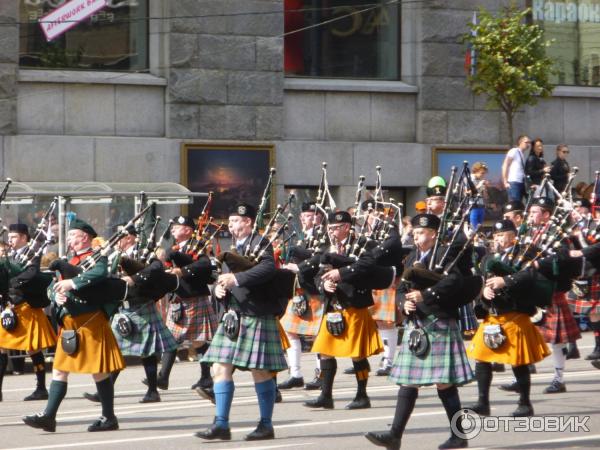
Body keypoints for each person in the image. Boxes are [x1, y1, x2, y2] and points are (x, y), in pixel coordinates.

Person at [365, 214, 473, 450]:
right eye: (414, 232)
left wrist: (425, 295)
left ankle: (459, 436)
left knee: (444, 383)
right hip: (418, 324)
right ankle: (394, 436)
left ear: (433, 233)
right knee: (408, 381)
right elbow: (403, 287)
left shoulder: (446, 254)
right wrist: (404, 301)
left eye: (421, 232)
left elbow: (455, 282)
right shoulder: (413, 255)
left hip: (439, 321)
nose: (415, 235)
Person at [23, 219, 126, 432]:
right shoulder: (68, 259)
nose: (69, 239)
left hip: (90, 321)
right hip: (69, 324)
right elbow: (52, 286)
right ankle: (49, 417)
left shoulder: (97, 257)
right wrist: (56, 296)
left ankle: (109, 418)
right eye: (69, 236)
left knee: (98, 371)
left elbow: (98, 274)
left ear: (85, 237)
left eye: (72, 235)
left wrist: (72, 283)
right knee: (60, 370)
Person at [196, 203, 287, 442]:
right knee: (220, 367)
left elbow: (268, 269)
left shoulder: (261, 243)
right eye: (231, 221)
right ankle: (221, 424)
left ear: (247, 222)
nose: (231, 226)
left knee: (260, 371)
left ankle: (266, 425)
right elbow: (223, 278)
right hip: (234, 317)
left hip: (256, 313)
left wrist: (236, 278)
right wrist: (219, 289)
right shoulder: (234, 248)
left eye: (235, 221)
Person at [83, 224, 180, 404]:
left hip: (141, 304)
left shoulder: (145, 250)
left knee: (147, 351)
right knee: (115, 350)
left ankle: (152, 391)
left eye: (121, 236)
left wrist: (134, 278)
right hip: (123, 307)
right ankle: (106, 391)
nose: (118, 240)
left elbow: (157, 268)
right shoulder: (113, 254)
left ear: (130, 237)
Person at [467, 219, 550, 417]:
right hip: (492, 316)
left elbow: (530, 275)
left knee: (517, 361)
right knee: (481, 358)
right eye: (495, 236)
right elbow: (482, 278)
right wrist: (484, 291)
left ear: (513, 235)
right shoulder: (488, 258)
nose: (497, 239)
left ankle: (525, 403)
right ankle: (482, 402)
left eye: (502, 234)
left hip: (515, 314)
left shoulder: (526, 252)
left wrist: (505, 280)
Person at [303, 211, 385, 410]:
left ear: (347, 227)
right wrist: (324, 286)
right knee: (324, 351)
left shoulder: (364, 243)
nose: (331, 231)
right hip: (333, 306)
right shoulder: (327, 246)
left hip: (354, 304)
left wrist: (341, 273)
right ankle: (326, 395)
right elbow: (317, 273)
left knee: (357, 354)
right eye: (329, 228)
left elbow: (368, 265)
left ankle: (362, 395)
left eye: (335, 228)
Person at [156, 216, 218, 393]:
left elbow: (205, 265)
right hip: (178, 298)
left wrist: (182, 270)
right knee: (173, 339)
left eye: (178, 227)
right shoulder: (173, 248)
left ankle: (205, 376)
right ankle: (164, 377)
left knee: (196, 341)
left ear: (189, 231)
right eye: (173, 227)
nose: (173, 229)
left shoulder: (198, 245)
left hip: (193, 296)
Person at [527, 198, 582, 394]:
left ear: (546, 214)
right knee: (524, 332)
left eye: (534, 212)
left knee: (556, 340)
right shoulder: (532, 232)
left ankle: (559, 379)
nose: (530, 215)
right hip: (532, 288)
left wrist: (538, 264)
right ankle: (522, 373)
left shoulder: (557, 234)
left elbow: (563, 258)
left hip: (551, 289)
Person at [0, 223, 57, 402]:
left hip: (26, 305)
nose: (10, 240)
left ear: (24, 238)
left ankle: (41, 388)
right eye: (9, 237)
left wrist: (12, 281)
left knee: (33, 348)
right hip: (11, 306)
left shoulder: (32, 252)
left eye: (14, 237)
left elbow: (32, 273)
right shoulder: (8, 255)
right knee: (1, 347)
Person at [278, 202, 325, 390]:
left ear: (320, 218)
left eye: (314, 215)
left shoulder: (324, 236)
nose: (310, 219)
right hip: (297, 290)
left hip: (315, 289)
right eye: (306, 215)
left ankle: (321, 373)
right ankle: (295, 374)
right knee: (290, 330)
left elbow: (320, 259)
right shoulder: (297, 236)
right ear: (301, 218)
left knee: (317, 335)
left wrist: (299, 267)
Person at [502, 135, 531, 202]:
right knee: (515, 203)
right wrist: (505, 181)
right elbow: (505, 165)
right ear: (520, 142)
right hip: (514, 182)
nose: (528, 144)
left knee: (522, 202)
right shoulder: (514, 151)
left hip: (521, 182)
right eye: (526, 142)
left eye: (529, 143)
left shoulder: (521, 154)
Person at [468, 162, 489, 230]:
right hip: (473, 206)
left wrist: (485, 188)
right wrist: (478, 186)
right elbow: (466, 194)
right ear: (476, 171)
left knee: (479, 228)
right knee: (474, 228)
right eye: (482, 173)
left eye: (484, 173)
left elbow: (486, 197)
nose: (483, 175)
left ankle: (479, 237)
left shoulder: (480, 180)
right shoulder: (469, 179)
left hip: (481, 206)